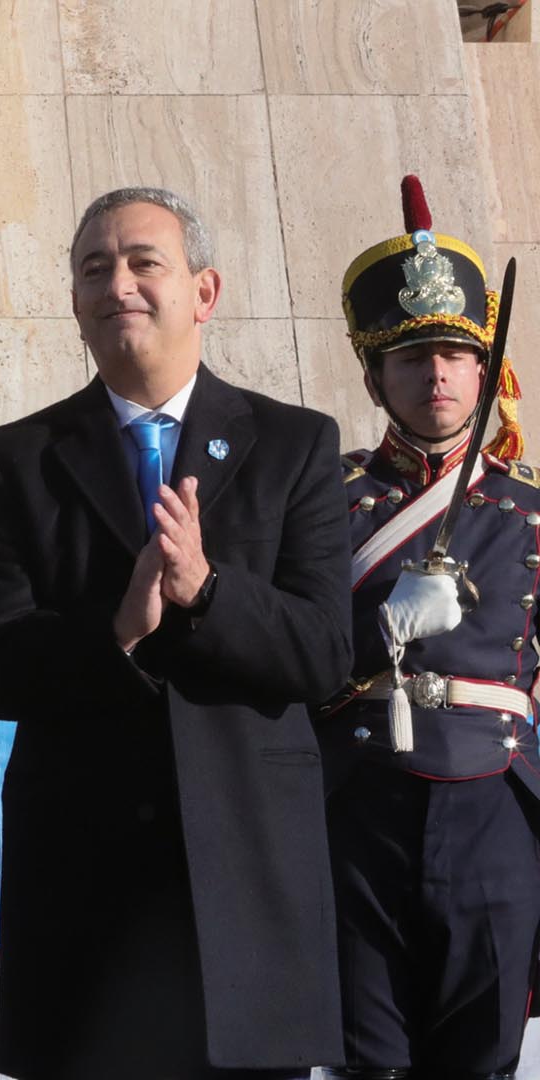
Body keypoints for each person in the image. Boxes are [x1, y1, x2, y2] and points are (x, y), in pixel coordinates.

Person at [0, 186, 352, 1079]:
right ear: (73, 302)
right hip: (86, 886)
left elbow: (326, 651)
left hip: (246, 878)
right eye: (94, 269)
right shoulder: (16, 459)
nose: (119, 285)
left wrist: (209, 592)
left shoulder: (293, 444)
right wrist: (118, 632)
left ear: (203, 292)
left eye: (145, 263)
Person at [315, 175, 540, 1080]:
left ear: (484, 371)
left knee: (481, 1055)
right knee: (370, 1057)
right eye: (411, 358)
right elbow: (284, 654)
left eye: (452, 354)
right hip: (358, 802)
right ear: (375, 376)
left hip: (494, 800)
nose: (436, 374)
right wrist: (378, 632)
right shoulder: (323, 503)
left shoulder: (529, 513)